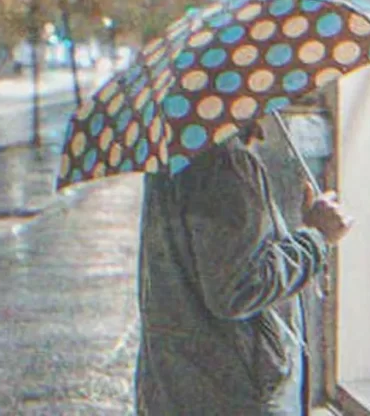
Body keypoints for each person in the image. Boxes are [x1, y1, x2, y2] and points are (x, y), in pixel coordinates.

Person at [136, 120, 353, 415]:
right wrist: (316, 237)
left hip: (177, 382)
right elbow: (238, 288)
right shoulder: (226, 163)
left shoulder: (174, 151)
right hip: (232, 391)